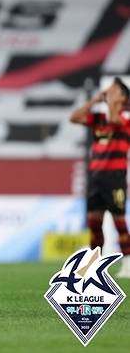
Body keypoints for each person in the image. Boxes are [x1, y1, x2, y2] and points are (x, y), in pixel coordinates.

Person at [70, 77, 130, 278]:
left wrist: (112, 104)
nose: (107, 92)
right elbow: (74, 117)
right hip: (96, 178)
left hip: (115, 178)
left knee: (119, 222)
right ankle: (94, 267)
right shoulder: (99, 120)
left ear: (122, 96)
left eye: (113, 90)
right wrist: (94, 101)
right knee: (94, 224)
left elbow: (115, 120)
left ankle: (128, 265)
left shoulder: (126, 120)